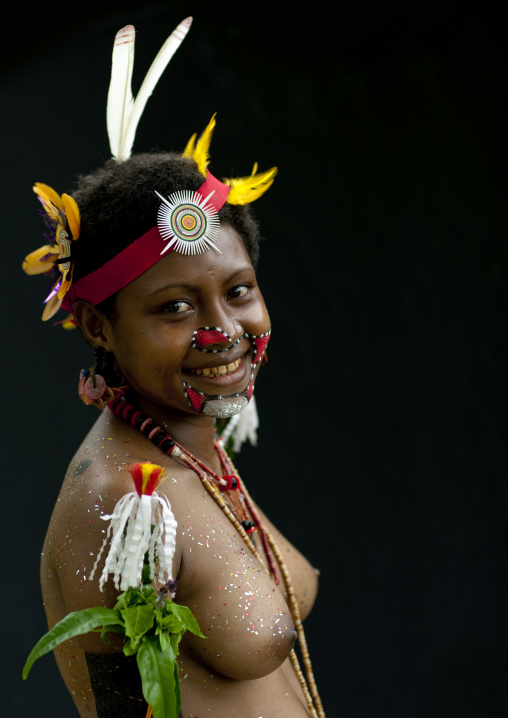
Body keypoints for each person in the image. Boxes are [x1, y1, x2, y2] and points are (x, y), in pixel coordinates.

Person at [23, 18, 325, 718]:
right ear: (100, 326)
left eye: (239, 291)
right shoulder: (121, 500)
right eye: (175, 307)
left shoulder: (193, 451)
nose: (223, 331)